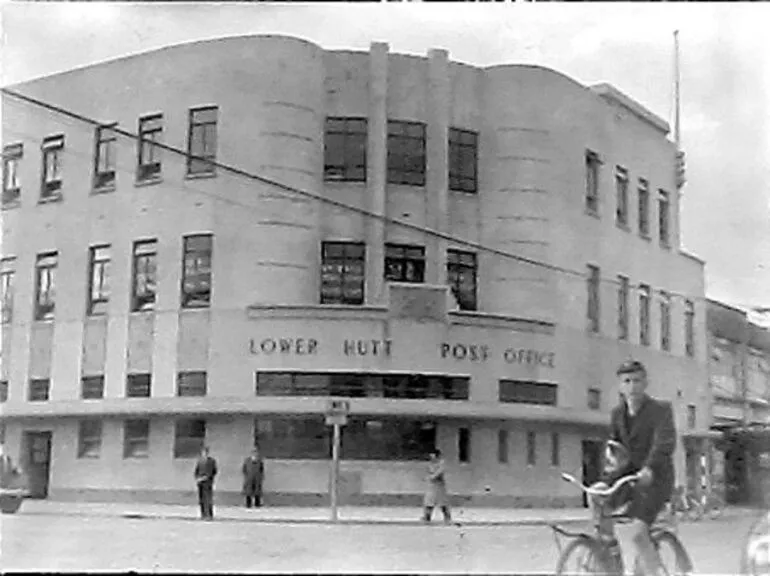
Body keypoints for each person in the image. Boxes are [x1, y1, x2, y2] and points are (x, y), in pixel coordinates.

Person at [598, 360, 676, 576]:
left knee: (638, 535)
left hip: (655, 481)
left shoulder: (661, 410)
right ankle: (612, 556)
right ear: (620, 386)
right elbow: (614, 451)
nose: (632, 386)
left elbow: (664, 443)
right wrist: (606, 479)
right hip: (626, 477)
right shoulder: (617, 414)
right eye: (627, 381)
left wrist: (649, 468)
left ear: (646, 382)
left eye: (637, 380)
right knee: (596, 496)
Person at [422, 449, 452, 524]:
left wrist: (432, 476)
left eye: (433, 455)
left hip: (439, 485)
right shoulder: (429, 464)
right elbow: (427, 472)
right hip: (431, 486)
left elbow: (440, 472)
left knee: (442, 502)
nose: (432, 457)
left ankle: (447, 517)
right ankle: (427, 516)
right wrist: (427, 477)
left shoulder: (441, 463)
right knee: (429, 501)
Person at [194, 445, 218, 521]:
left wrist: (206, 477)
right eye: (203, 452)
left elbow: (213, 471)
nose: (204, 454)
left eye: (205, 452)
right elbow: (196, 471)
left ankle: (209, 515)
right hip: (200, 483)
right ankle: (203, 514)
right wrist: (197, 478)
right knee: (201, 499)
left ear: (207, 453)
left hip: (208, 483)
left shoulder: (211, 461)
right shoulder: (200, 461)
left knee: (208, 499)